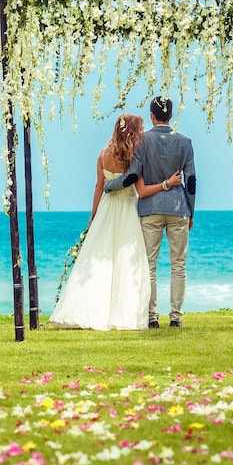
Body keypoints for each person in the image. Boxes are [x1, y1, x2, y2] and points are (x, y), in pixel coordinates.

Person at [49, 113, 181, 330]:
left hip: (107, 208)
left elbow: (99, 186)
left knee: (99, 258)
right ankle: (123, 314)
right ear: (133, 132)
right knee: (127, 261)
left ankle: (89, 309)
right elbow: (141, 189)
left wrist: (93, 215)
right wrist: (167, 184)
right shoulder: (134, 157)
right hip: (128, 209)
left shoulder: (103, 154)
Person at [104, 96, 196, 328]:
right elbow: (191, 181)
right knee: (178, 265)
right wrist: (191, 211)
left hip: (150, 209)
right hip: (178, 208)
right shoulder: (185, 142)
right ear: (171, 115)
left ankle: (152, 317)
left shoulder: (141, 142)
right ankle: (176, 317)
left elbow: (133, 176)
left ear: (152, 116)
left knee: (149, 265)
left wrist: (109, 185)